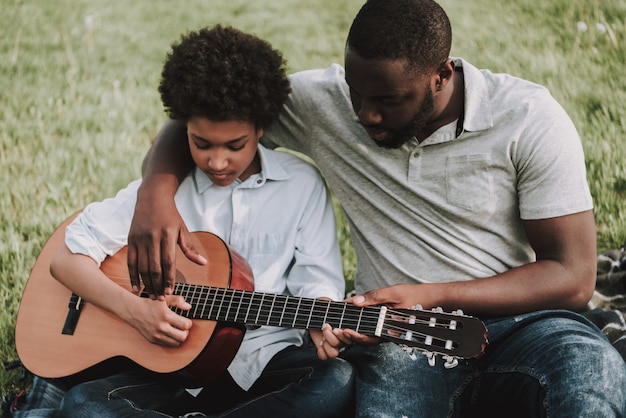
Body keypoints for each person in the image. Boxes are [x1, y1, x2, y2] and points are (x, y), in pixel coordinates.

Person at [127, 1, 626, 417]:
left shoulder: (528, 120)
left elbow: (574, 275)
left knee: (592, 375)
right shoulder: (325, 104)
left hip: (526, 324)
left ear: (440, 75)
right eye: (356, 92)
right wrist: (155, 194)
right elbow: (201, 113)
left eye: (387, 100)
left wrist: (430, 295)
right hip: (399, 342)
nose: (366, 114)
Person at [43, 25, 354, 417]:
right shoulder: (164, 196)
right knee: (85, 405)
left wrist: (321, 316)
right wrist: (134, 311)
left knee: (336, 381)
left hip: (264, 362)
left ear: (261, 128)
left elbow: (317, 280)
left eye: (235, 145)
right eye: (200, 143)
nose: (217, 162)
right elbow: (64, 261)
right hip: (167, 370)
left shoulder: (302, 185)